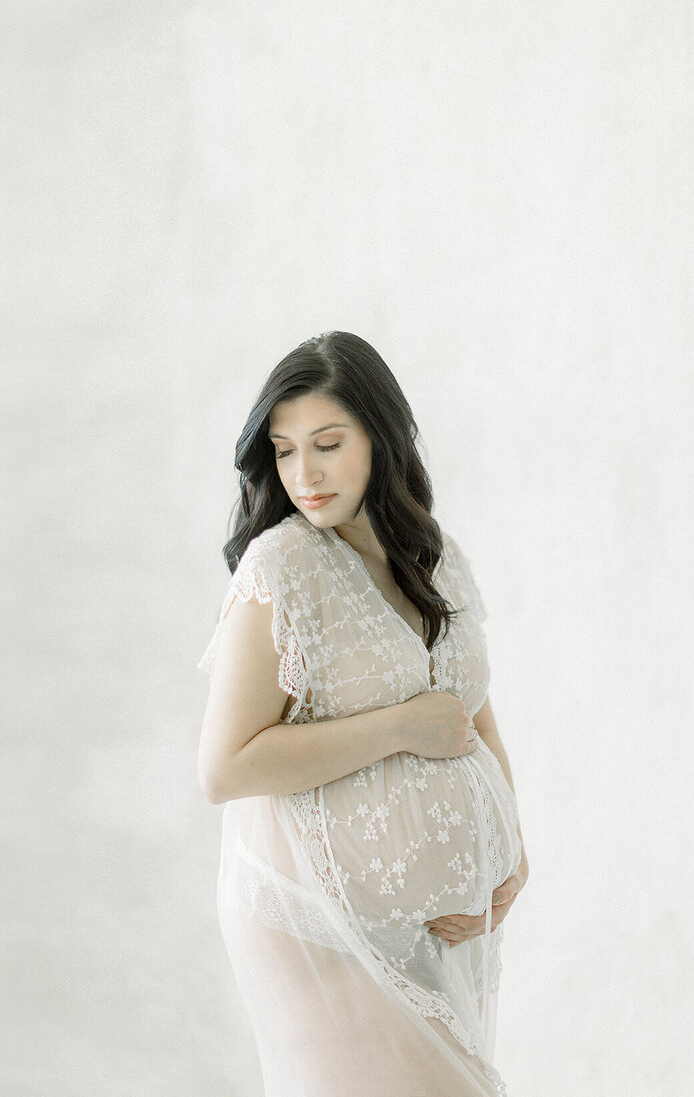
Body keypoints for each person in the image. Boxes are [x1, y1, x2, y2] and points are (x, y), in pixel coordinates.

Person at [197, 331, 528, 1097]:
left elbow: (472, 711)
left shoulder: (431, 553)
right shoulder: (280, 565)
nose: (303, 474)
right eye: (283, 451)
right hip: (317, 921)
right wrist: (398, 727)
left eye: (327, 444)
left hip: (424, 931)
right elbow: (225, 766)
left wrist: (510, 855)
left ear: (381, 438)